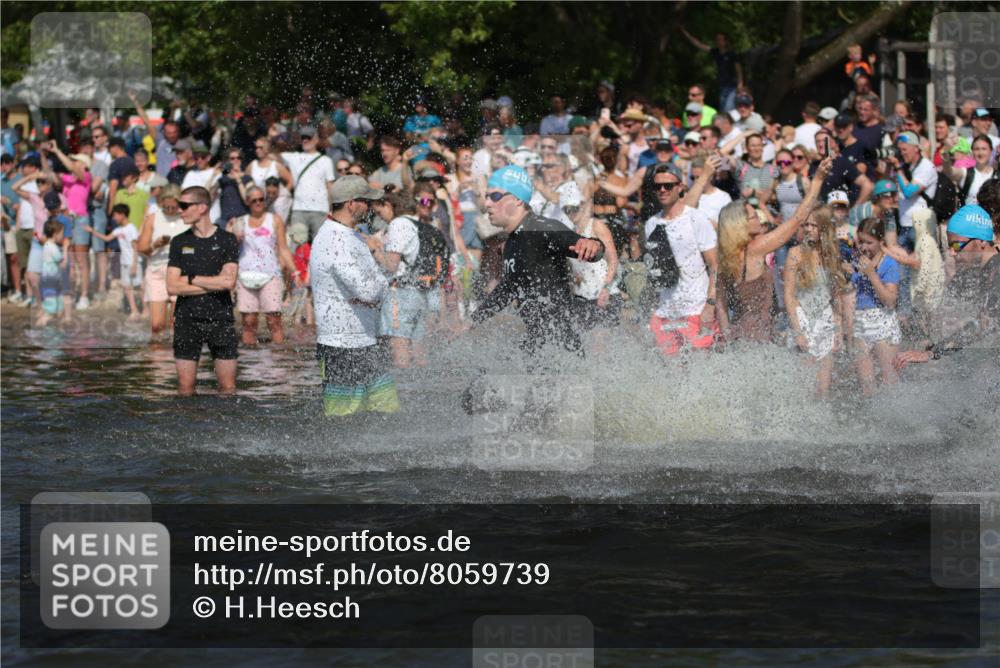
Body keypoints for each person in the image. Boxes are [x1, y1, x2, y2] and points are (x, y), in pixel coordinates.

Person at [468, 165, 604, 360]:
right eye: (487, 197)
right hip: (539, 345)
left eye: (495, 196)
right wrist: (473, 321)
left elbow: (584, 246)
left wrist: (594, 244)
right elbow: (508, 288)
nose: (487, 203)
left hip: (562, 349)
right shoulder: (512, 242)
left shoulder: (541, 228)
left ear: (517, 199)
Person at [310, 176, 399, 417]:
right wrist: (381, 283)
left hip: (368, 339)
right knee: (342, 420)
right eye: (366, 202)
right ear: (351, 204)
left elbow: (371, 289)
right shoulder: (334, 239)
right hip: (341, 344)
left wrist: (375, 288)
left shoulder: (352, 235)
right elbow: (368, 291)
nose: (371, 207)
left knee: (387, 414)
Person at [717, 158, 831, 343]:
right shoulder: (755, 249)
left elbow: (721, 306)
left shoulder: (725, 255)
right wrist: (818, 179)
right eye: (754, 216)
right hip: (758, 340)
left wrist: (727, 337)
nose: (759, 218)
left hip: (739, 336)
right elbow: (797, 219)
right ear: (741, 225)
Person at [166, 186, 240, 396]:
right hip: (186, 320)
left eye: (184, 206)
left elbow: (228, 282)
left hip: (221, 318)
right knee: (185, 388)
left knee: (228, 388)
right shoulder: (179, 242)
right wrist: (214, 284)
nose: (179, 210)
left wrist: (190, 278)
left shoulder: (227, 240)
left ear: (202, 207)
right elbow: (172, 286)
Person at [783, 206, 847, 398]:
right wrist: (798, 332)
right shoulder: (795, 253)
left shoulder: (832, 254)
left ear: (825, 227)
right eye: (806, 225)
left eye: (814, 225)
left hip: (825, 319)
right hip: (802, 318)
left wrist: (838, 329)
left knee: (823, 389)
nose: (809, 229)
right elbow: (788, 296)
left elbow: (836, 295)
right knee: (806, 389)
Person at [368, 190, 430, 368]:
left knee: (399, 349)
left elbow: (391, 265)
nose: (380, 217)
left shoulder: (398, 223)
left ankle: (403, 385)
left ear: (388, 205)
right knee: (419, 353)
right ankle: (423, 384)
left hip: (400, 294)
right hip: (419, 292)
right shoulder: (417, 223)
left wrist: (373, 249)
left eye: (379, 212)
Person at [228, 186, 296, 346]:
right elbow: (230, 251)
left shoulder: (275, 220)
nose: (258, 203)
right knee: (249, 322)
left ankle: (278, 356)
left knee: (274, 320)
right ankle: (250, 358)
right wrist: (233, 237)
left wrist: (295, 272)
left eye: (261, 199)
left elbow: (283, 249)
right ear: (247, 202)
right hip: (245, 274)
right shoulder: (240, 222)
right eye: (254, 200)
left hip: (270, 274)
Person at [850, 217, 902, 395]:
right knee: (866, 387)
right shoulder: (858, 262)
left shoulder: (889, 264)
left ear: (881, 241)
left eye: (869, 243)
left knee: (890, 384)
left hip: (883, 324)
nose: (864, 247)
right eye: (861, 242)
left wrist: (872, 274)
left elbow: (890, 301)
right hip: (860, 325)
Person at [137, 184, 186, 340]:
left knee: (177, 324)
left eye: (174, 207)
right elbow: (141, 248)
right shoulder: (153, 218)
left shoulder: (187, 217)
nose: (170, 211)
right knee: (157, 325)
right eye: (166, 207)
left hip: (181, 273)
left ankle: (176, 354)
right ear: (160, 203)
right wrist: (155, 245)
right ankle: (158, 354)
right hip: (157, 272)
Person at [85, 203, 142, 320]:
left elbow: (136, 247)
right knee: (126, 287)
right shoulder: (118, 230)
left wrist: (134, 265)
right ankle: (134, 311)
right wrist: (92, 231)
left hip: (133, 262)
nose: (114, 218)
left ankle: (146, 309)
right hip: (124, 262)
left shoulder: (131, 228)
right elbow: (106, 238)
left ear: (122, 215)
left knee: (139, 287)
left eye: (116, 215)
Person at [282, 126, 336, 241]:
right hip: (299, 210)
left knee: (321, 246)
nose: (305, 140)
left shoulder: (326, 161)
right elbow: (273, 156)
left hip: (321, 210)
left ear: (316, 139)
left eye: (308, 137)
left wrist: (332, 210)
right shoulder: (294, 157)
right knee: (296, 245)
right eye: (303, 137)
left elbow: (330, 187)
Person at [941, 134, 997, 206]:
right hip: (969, 212)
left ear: (991, 151)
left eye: (984, 149)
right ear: (972, 152)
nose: (980, 153)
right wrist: (946, 151)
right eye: (977, 149)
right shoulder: (966, 173)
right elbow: (949, 172)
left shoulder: (997, 175)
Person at [36, 218, 67, 327]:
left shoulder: (47, 245)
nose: (63, 236)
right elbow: (63, 264)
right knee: (51, 312)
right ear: (55, 234)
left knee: (60, 307)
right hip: (51, 283)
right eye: (62, 234)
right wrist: (66, 247)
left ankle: (59, 330)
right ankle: (38, 330)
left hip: (50, 282)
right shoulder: (53, 248)